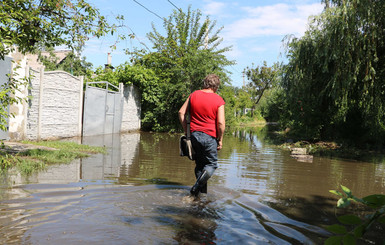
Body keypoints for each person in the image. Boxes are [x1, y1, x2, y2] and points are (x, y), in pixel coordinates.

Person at [178, 74, 225, 197]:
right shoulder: (218, 99)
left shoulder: (193, 95)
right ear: (215, 87)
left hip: (194, 136)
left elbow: (181, 112)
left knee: (200, 165)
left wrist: (186, 131)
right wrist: (220, 140)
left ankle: (199, 196)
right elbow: (220, 123)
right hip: (210, 137)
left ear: (205, 83)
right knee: (211, 165)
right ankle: (196, 188)